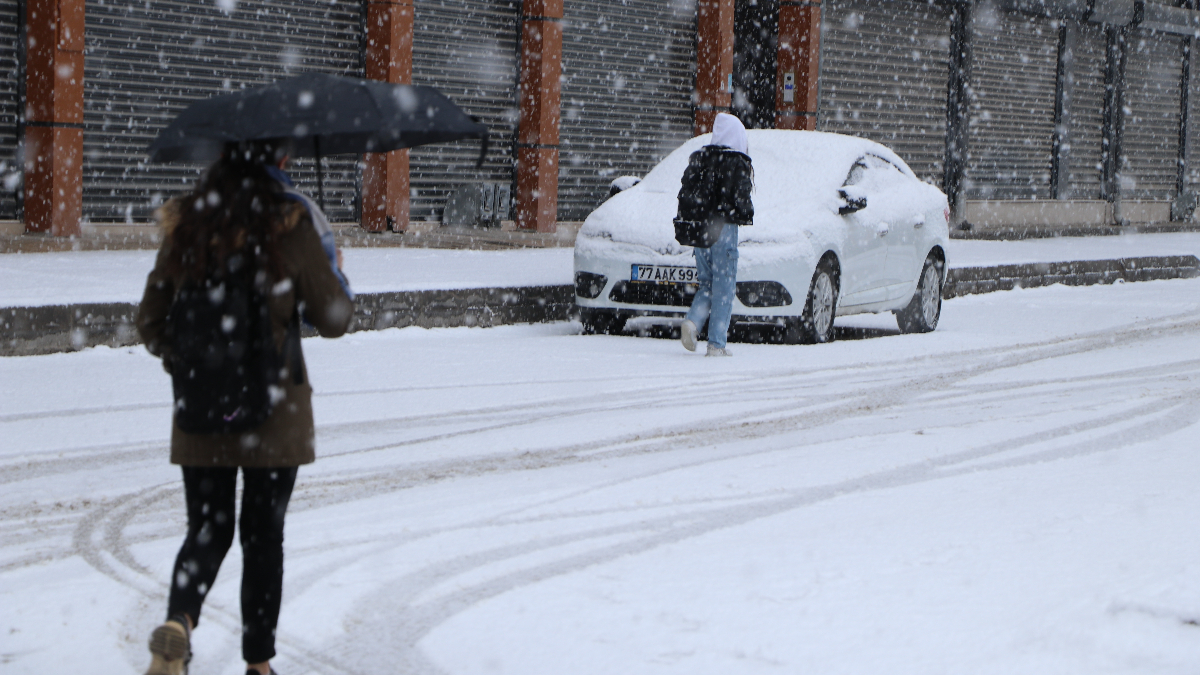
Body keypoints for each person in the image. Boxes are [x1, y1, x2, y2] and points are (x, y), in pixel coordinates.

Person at [136, 140, 354, 675]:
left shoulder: (190, 224)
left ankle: (179, 624)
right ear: (277, 162)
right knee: (263, 536)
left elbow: (151, 320)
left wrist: (193, 363)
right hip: (274, 412)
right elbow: (333, 318)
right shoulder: (290, 221)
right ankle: (258, 666)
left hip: (201, 410)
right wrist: (336, 271)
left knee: (207, 529)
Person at [678, 112, 754, 357]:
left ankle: (692, 322)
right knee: (724, 287)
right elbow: (741, 201)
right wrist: (745, 211)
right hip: (723, 228)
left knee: (708, 283)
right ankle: (716, 344)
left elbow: (687, 190)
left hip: (700, 231)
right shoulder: (736, 161)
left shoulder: (700, 157)